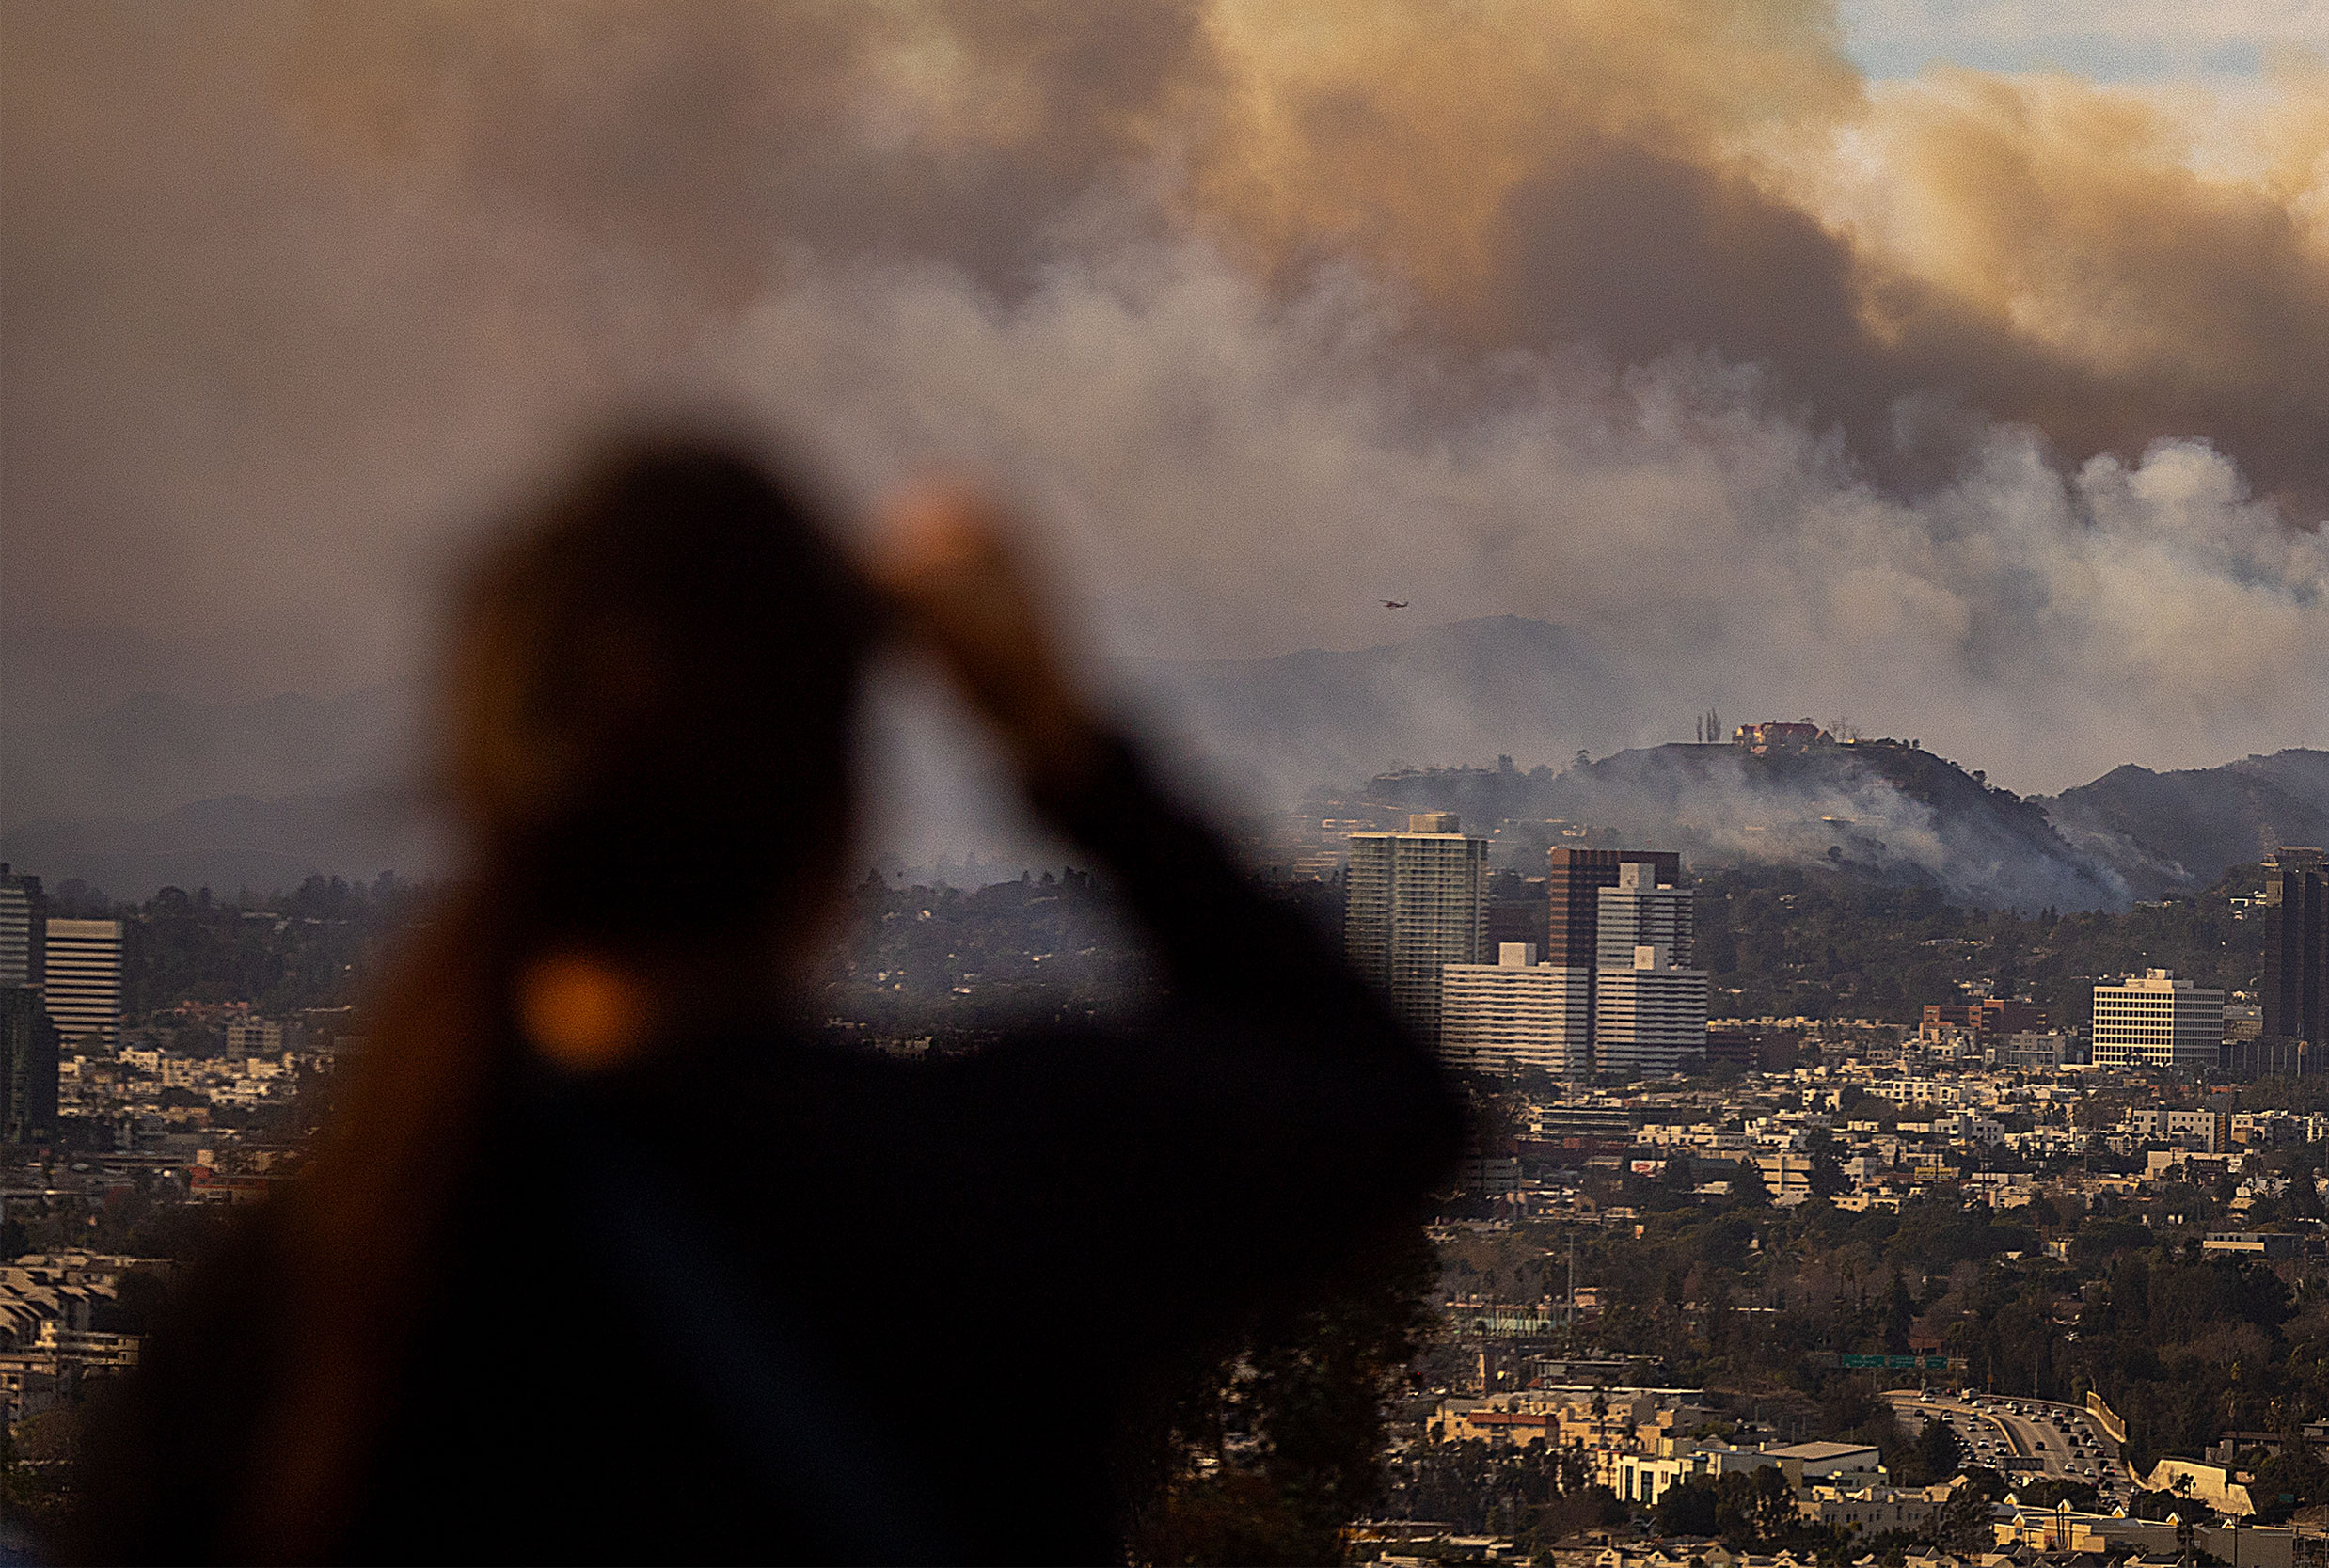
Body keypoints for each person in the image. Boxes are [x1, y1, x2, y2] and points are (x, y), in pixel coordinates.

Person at [72, 433, 1466, 1563]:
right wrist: (1054, 734)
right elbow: (1389, 1096)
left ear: (493, 792)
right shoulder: (982, 1193)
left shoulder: (289, 1324)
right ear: (838, 820)